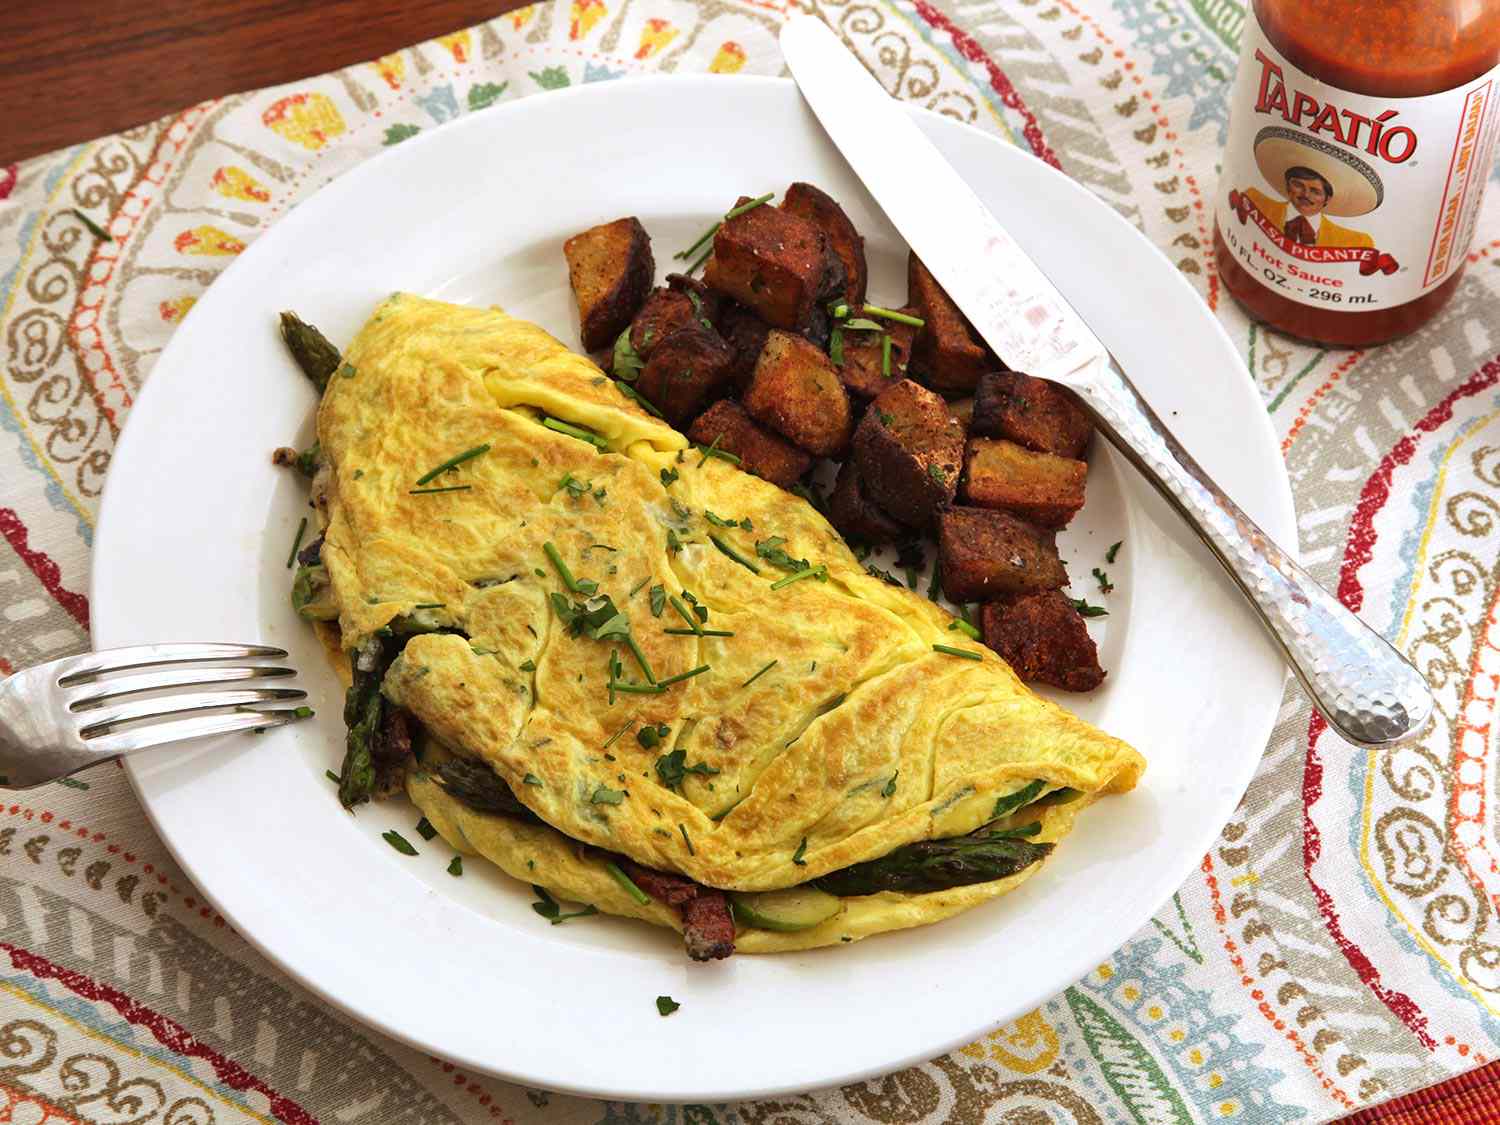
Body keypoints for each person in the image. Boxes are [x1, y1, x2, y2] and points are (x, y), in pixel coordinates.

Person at [1245, 166, 1374, 249]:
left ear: (1327, 199)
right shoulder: (1254, 201)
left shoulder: (1355, 242)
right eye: (1298, 185)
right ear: (1288, 186)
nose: (1305, 195)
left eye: (1315, 191)